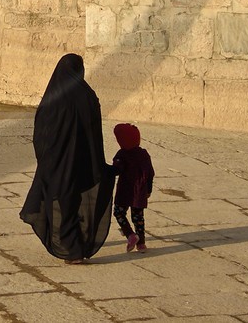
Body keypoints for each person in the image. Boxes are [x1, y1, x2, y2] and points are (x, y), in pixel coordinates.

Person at [20, 53, 116, 264]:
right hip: (84, 160)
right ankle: (76, 243)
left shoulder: (54, 98)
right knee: (74, 199)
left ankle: (73, 250)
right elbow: (94, 131)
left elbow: (41, 131)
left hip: (58, 162)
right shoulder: (88, 95)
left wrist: (45, 158)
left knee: (61, 201)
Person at [110, 123, 155, 253]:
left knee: (119, 212)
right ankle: (141, 244)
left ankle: (130, 234)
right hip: (140, 191)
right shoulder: (144, 154)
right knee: (138, 217)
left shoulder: (122, 154)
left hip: (125, 190)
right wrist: (148, 189)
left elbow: (116, 170)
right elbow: (150, 172)